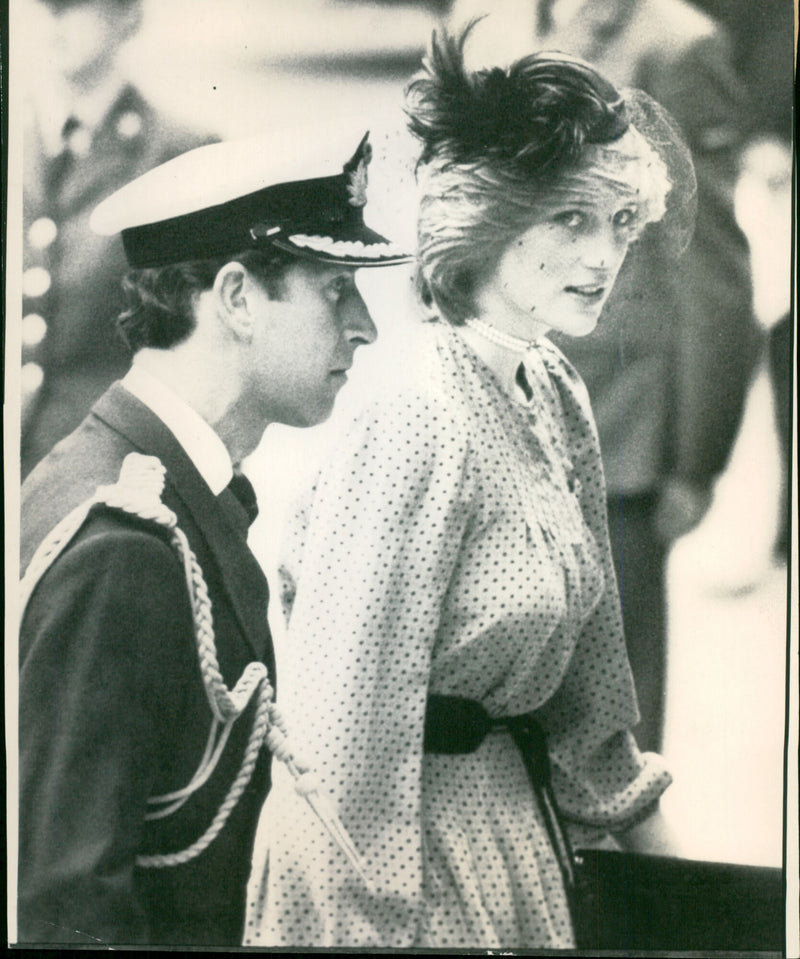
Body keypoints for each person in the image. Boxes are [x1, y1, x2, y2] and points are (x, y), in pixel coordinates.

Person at [244, 30, 692, 949]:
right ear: (487, 220)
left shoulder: (552, 386)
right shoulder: (417, 409)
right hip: (398, 869)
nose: (603, 255)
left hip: (513, 842)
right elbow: (343, 736)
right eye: (569, 219)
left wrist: (685, 885)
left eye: (618, 223)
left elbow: (592, 692)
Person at [17, 129, 411, 946]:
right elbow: (66, 906)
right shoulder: (123, 544)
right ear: (234, 297)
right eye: (335, 288)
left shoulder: (159, 484)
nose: (364, 326)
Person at [447, 0, 762, 750]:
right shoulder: (495, 21)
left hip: (614, 434)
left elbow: (711, 267)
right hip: (494, 402)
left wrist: (694, 459)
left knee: (606, 725)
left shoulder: (675, 46)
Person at [20, 0, 218, 478]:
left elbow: (206, 350)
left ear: (128, 16)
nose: (54, 22)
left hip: (110, 468)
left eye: (73, 6)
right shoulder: (21, 141)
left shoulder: (177, 153)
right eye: (43, 7)